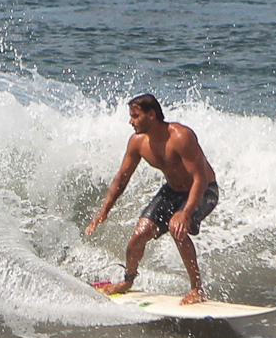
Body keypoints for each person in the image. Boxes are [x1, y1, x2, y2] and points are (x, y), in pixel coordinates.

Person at [85, 94, 219, 305]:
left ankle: (197, 289)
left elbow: (200, 179)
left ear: (151, 115)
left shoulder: (181, 137)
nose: (131, 121)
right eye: (131, 116)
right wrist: (104, 211)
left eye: (136, 116)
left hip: (204, 190)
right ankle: (127, 281)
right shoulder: (138, 143)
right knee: (139, 235)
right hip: (172, 191)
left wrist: (185, 214)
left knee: (178, 228)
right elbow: (121, 179)